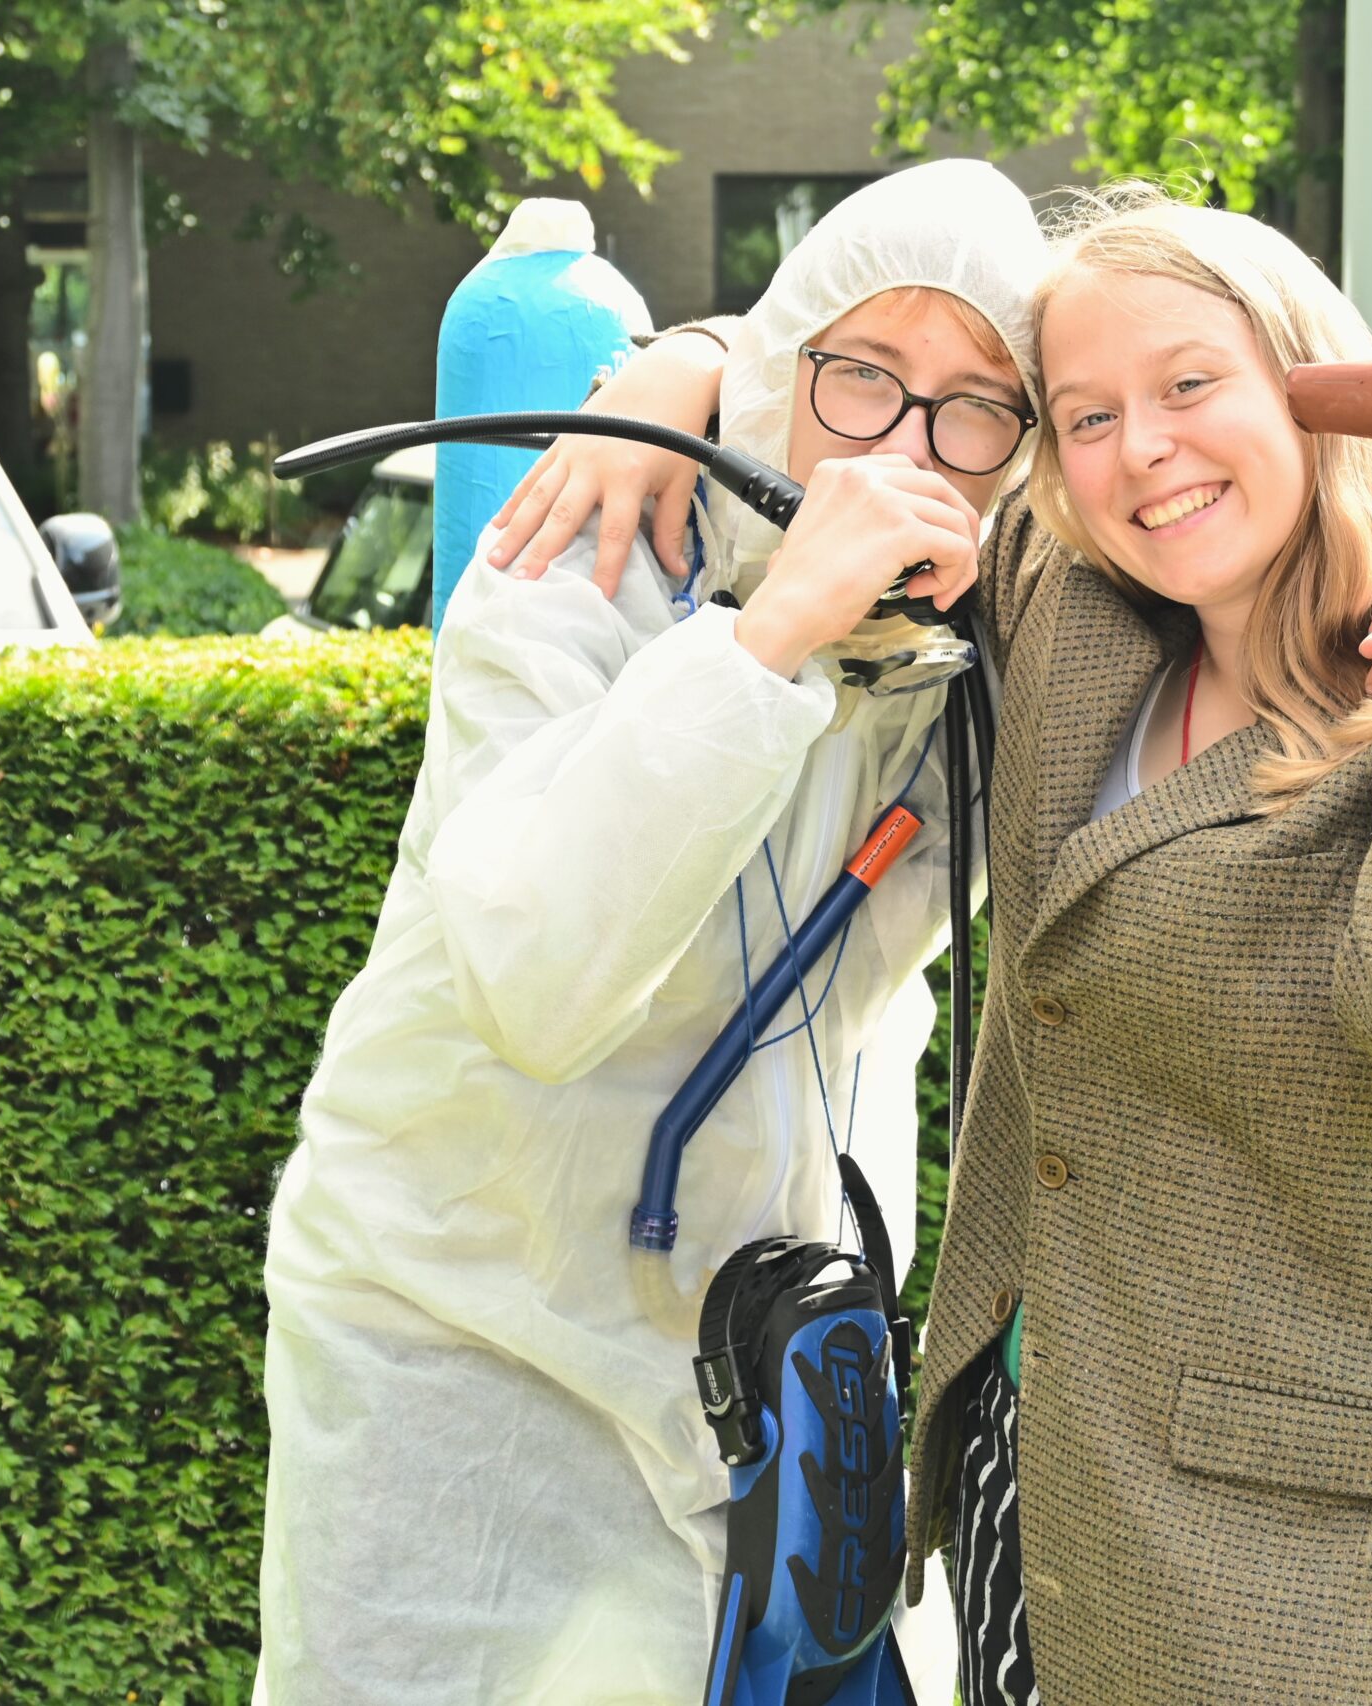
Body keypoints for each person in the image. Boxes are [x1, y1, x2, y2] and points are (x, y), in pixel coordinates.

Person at [489, 188, 1372, 1704]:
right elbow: (890, 361)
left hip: (1322, 1576)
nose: (1142, 451)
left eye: (1190, 385)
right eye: (1087, 415)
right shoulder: (1082, 622)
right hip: (1029, 1484)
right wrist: (680, 366)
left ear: (1310, 381)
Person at [255, 159, 1046, 1705]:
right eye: (862, 379)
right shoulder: (587, 563)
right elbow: (538, 983)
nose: (907, 447)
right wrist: (770, 639)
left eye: (974, 406)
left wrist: (694, 353)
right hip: (459, 1307)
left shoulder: (980, 642)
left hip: (753, 1340)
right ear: (782, 375)